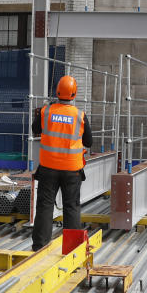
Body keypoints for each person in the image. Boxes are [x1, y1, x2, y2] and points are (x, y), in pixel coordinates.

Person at [31, 75, 94, 250]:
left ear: (57, 92)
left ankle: (39, 247)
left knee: (45, 206)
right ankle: (73, 249)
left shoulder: (46, 111)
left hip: (48, 168)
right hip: (72, 170)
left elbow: (35, 129)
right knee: (71, 206)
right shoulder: (80, 115)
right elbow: (89, 142)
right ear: (74, 94)